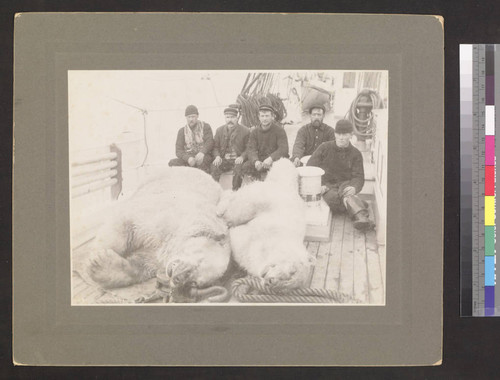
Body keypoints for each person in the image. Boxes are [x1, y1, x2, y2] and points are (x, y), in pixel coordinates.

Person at [307, 119, 375, 231]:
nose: (341, 137)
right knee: (333, 199)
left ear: (351, 135)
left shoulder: (356, 154)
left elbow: (358, 176)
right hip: (327, 187)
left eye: (345, 134)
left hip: (345, 185)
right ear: (335, 134)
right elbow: (311, 167)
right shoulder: (324, 148)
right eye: (338, 134)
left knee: (346, 194)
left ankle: (359, 213)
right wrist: (319, 185)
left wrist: (354, 187)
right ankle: (360, 210)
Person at [241, 104, 289, 180]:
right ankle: (256, 184)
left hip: (275, 160)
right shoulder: (254, 132)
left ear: (272, 117)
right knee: (245, 166)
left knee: (283, 168)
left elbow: (283, 149)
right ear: (259, 117)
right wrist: (255, 161)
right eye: (262, 116)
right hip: (260, 160)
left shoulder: (279, 131)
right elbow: (251, 149)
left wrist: (271, 158)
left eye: (267, 116)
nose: (264, 119)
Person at [210, 106, 250, 190]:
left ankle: (235, 192)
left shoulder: (245, 131)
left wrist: (242, 157)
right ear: (225, 118)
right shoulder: (219, 130)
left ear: (237, 118)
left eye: (232, 117)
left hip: (238, 159)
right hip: (225, 160)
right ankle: (215, 191)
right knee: (214, 166)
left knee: (238, 169)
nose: (230, 120)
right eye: (227, 117)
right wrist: (217, 156)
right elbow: (215, 147)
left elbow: (249, 148)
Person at [168, 105, 214, 172]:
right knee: (172, 163)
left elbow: (210, 142)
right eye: (189, 117)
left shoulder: (205, 127)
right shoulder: (182, 131)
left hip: (203, 156)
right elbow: (178, 150)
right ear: (186, 117)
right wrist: (188, 158)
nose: (191, 119)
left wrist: (202, 152)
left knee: (203, 163)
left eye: (193, 117)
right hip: (190, 158)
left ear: (197, 116)